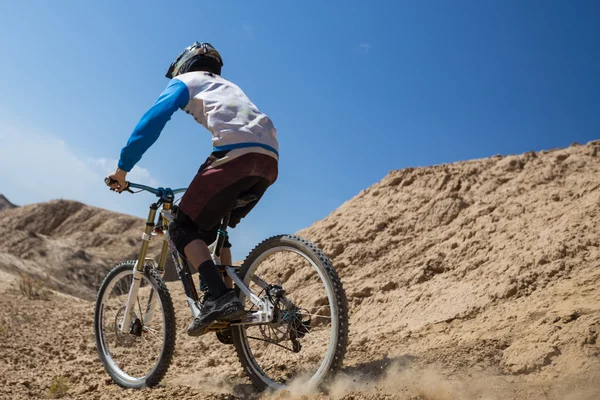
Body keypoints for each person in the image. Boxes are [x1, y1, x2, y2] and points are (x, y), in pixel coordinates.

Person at [106, 42, 279, 336]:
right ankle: (230, 303)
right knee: (215, 229)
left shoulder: (186, 81)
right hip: (269, 160)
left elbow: (152, 121)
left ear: (185, 63)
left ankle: (219, 298)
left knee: (181, 229)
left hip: (234, 156)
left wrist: (122, 170)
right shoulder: (229, 86)